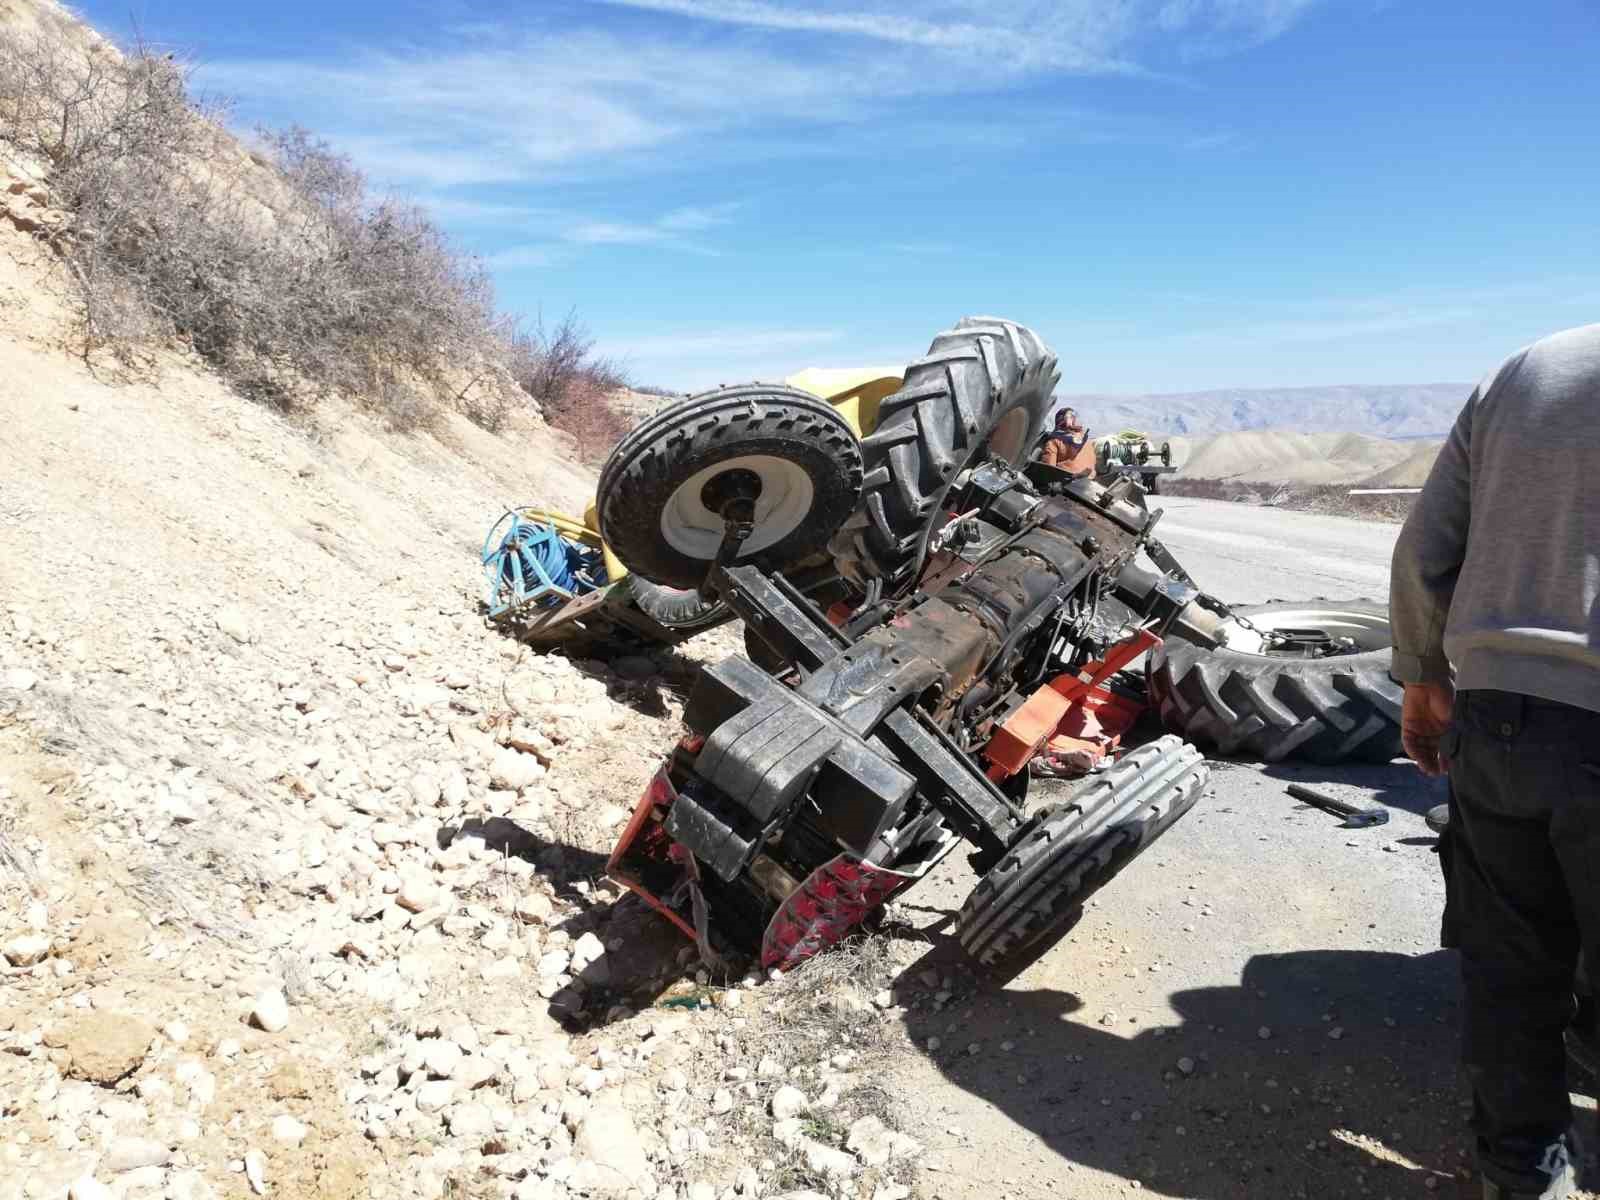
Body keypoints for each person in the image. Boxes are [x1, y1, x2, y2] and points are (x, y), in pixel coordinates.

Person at [1389, 323, 1600, 1200]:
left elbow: (1424, 547)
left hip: (1502, 716)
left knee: (1510, 966)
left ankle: (1522, 1177)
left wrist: (1421, 679)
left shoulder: (1532, 367)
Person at [1038, 406, 1095, 475]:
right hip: (1089, 481)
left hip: (1067, 481)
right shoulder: (1088, 441)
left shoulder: (1054, 441)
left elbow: (1048, 469)